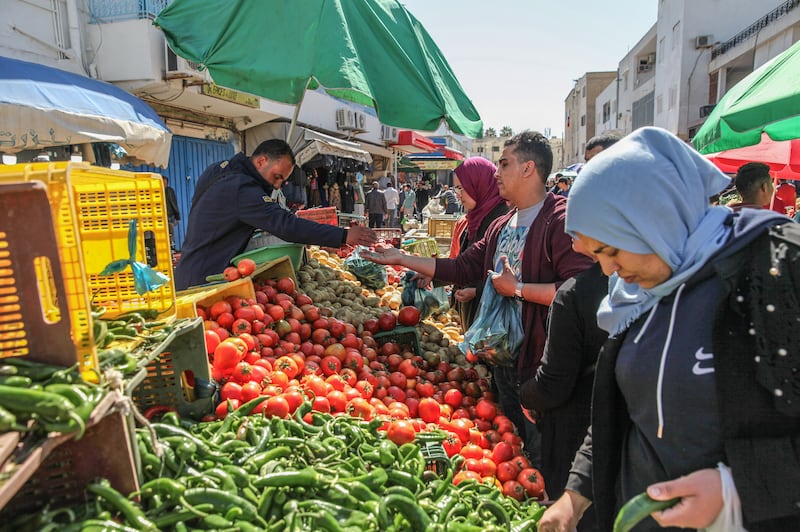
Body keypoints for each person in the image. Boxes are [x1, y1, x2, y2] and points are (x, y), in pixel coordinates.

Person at [538, 127, 800, 532]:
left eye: (610, 250)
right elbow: (624, 410)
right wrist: (575, 496)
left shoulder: (776, 270)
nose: (607, 270)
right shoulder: (636, 293)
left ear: (654, 219)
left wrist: (736, 492)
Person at [362, 131, 593, 463]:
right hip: (504, 363)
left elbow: (580, 289)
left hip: (543, 364)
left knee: (547, 453)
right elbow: (462, 266)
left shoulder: (560, 220)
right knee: (515, 446)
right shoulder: (501, 224)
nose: (496, 172)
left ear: (529, 168)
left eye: (504, 163)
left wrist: (517, 290)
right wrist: (400, 258)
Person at [174, 140, 376, 290]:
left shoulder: (219, 169)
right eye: (277, 177)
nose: (277, 185)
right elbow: (287, 226)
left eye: (283, 181)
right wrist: (343, 235)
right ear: (261, 161)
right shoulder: (242, 189)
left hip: (189, 270)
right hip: (204, 279)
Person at [450, 157, 510, 329]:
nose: (458, 195)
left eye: (462, 188)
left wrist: (477, 290)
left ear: (479, 183)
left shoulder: (499, 220)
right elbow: (464, 263)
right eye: (456, 188)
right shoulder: (474, 218)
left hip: (492, 324)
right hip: (475, 316)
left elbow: (507, 273)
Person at [162, 176, 181, 251]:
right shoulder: (156, 191)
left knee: (170, 234)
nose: (164, 184)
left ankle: (171, 249)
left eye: (165, 183)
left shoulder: (169, 191)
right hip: (161, 217)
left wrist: (177, 216)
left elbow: (174, 203)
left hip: (170, 216)